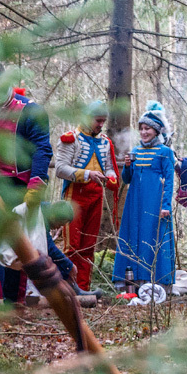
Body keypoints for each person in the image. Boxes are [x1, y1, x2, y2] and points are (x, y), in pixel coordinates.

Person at [0, 83, 75, 307]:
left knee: (17, 241)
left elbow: (42, 148)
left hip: (15, 183)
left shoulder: (29, 110)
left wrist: (36, 183)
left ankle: (13, 303)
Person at [55, 100, 119, 293]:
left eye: (103, 121)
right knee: (71, 244)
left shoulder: (105, 142)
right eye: (97, 120)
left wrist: (112, 177)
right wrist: (87, 174)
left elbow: (108, 167)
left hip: (96, 196)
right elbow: (60, 169)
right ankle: (66, 288)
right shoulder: (70, 139)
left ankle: (83, 288)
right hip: (75, 195)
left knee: (88, 244)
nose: (100, 125)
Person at [113, 103, 175, 291]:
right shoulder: (136, 152)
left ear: (156, 131)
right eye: (141, 128)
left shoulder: (165, 152)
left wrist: (166, 206)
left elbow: (170, 181)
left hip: (155, 202)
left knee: (153, 238)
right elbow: (127, 179)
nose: (143, 132)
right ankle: (133, 281)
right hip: (135, 203)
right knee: (134, 237)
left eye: (147, 128)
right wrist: (127, 166)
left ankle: (158, 282)